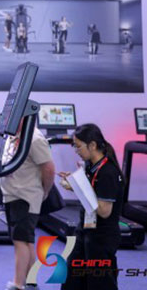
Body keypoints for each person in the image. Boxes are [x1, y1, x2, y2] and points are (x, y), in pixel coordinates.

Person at [59, 124, 124, 290]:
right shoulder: (90, 165)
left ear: (92, 145)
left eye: (78, 146)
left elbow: (104, 211)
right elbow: (90, 189)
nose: (76, 150)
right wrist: (75, 181)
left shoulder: (108, 172)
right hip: (85, 230)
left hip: (102, 236)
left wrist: (76, 188)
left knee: (99, 283)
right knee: (71, 279)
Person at [0, 124, 55, 290]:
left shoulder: (35, 138)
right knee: (26, 240)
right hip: (12, 194)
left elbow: (49, 168)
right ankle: (31, 282)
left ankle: (17, 284)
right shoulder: (13, 134)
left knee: (20, 241)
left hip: (25, 196)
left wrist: (45, 191)